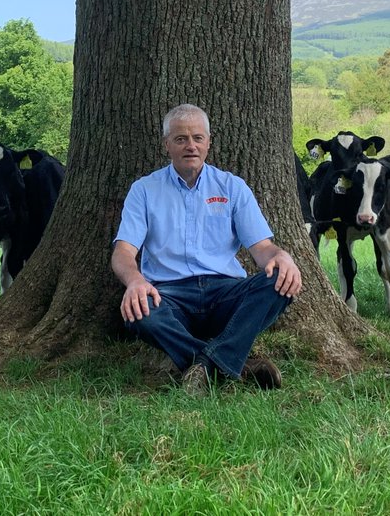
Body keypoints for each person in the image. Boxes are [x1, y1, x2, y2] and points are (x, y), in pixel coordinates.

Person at [111, 103, 303, 396]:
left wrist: (281, 256)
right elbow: (123, 252)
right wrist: (135, 281)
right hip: (169, 295)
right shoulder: (144, 190)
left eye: (198, 138)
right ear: (166, 145)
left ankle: (205, 365)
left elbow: (262, 247)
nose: (191, 146)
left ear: (208, 142)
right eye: (181, 139)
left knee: (279, 282)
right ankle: (235, 364)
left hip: (226, 293)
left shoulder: (232, 187)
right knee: (138, 312)